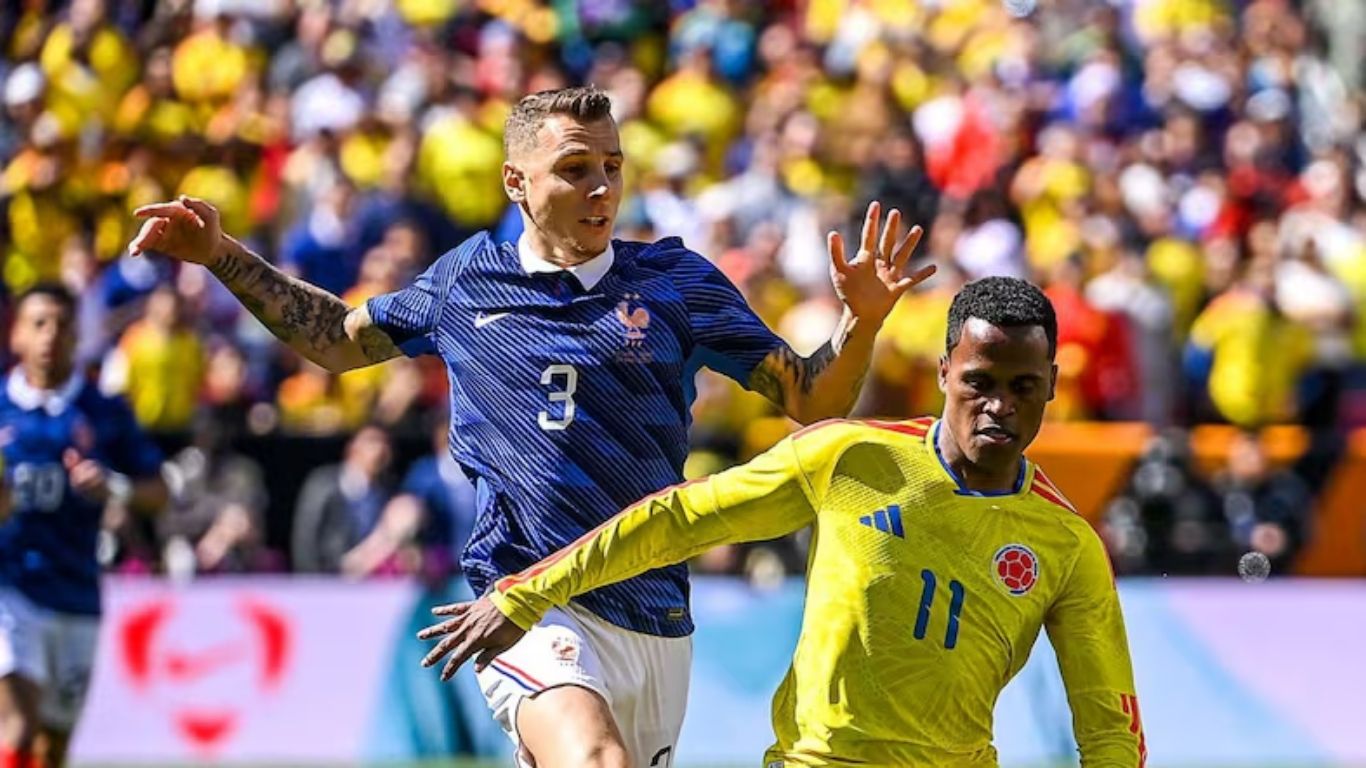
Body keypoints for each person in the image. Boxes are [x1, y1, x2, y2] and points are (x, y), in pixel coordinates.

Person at [129, 85, 932, 768]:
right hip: (522, 602)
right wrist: (223, 254)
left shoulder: (676, 283)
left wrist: (860, 324)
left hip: (652, 607)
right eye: (575, 170)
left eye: (613, 168)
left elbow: (811, 399)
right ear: (517, 181)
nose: (601, 189)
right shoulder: (465, 282)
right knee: (597, 761)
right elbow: (334, 341)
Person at [419, 277, 1146, 767]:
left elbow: (1110, 727)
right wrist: (527, 591)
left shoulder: (1066, 545)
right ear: (944, 372)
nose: (1000, 406)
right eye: (980, 384)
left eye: (1024, 388)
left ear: (1053, 384)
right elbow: (679, 519)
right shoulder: (849, 458)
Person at [0, 284, 168, 767]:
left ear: (79, 336)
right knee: (18, 723)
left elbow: (158, 493)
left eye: (62, 324)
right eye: (38, 323)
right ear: (16, 335)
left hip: (77, 591)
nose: (50, 335)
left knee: (54, 746)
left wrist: (112, 488)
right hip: (12, 588)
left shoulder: (104, 412)